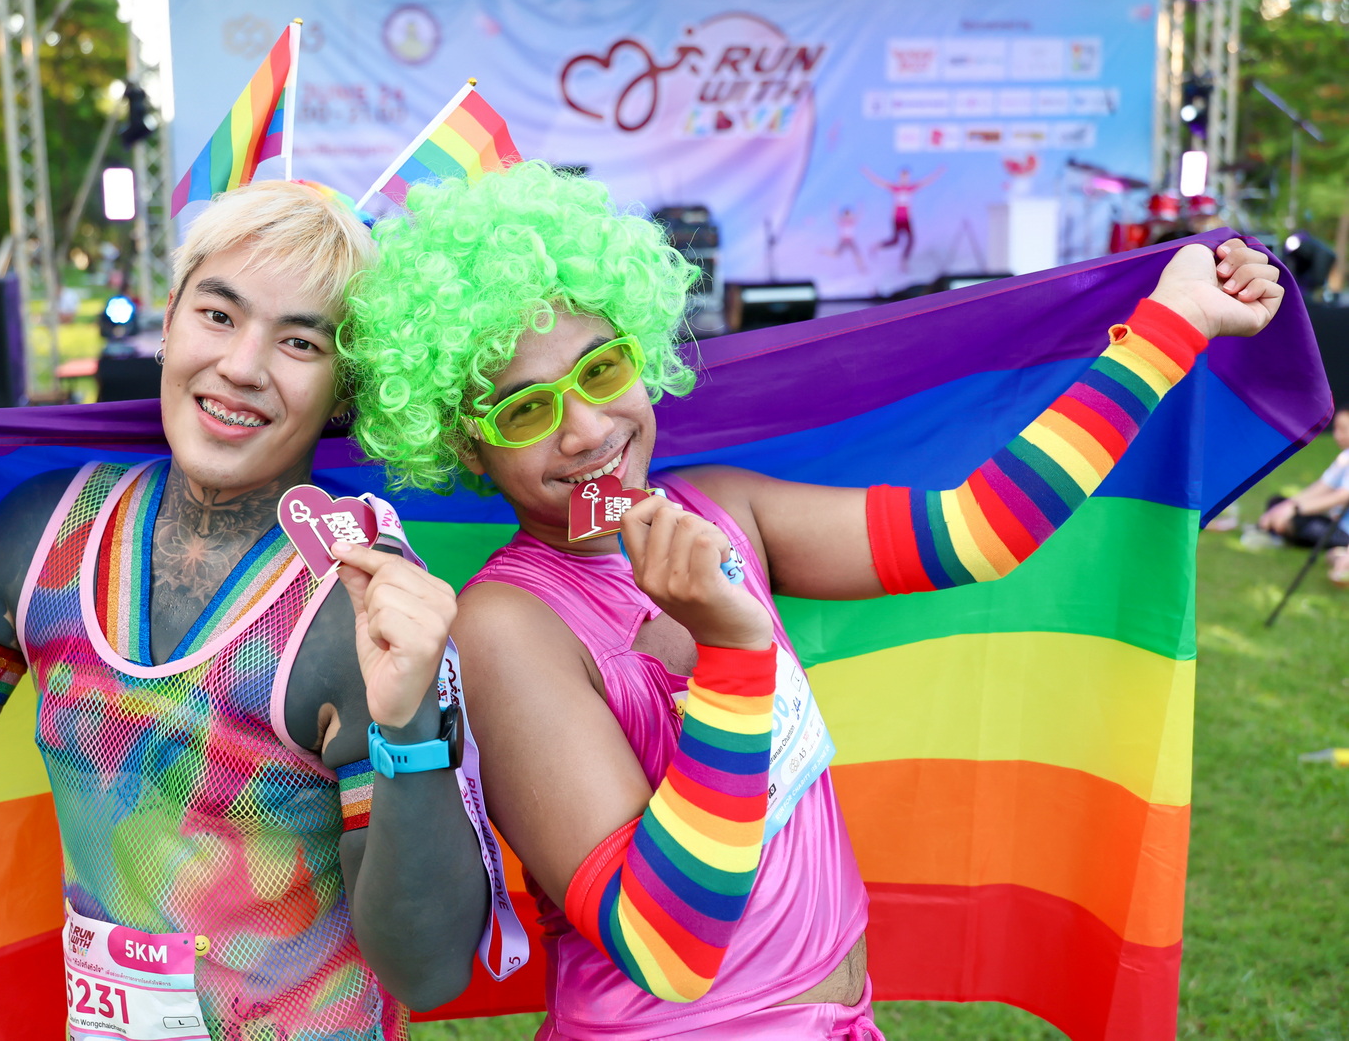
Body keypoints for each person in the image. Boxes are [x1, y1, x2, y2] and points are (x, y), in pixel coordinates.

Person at [341, 162, 1285, 1039]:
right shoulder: (506, 627)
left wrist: (1173, 324)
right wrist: (734, 653)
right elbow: (665, 944)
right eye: (524, 409)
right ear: (468, 445)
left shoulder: (726, 508)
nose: (586, 430)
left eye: (602, 369)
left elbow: (976, 529)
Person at [0, 181, 489, 1040]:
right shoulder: (43, 535)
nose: (243, 365)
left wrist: (410, 723)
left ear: (344, 389)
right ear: (167, 322)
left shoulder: (359, 609)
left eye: (299, 341)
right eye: (218, 315)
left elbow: (426, 968)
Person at [1254, 405, 1349, 548]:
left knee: (1297, 521)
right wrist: (1287, 505)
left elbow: (1341, 497)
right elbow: (1322, 487)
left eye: (1343, 429)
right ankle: (1279, 529)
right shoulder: (1345, 457)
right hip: (1333, 521)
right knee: (1276, 502)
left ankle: (1279, 532)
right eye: (1335, 428)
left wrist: (1295, 509)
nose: (1337, 435)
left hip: (1344, 531)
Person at [862, 164, 943, 264]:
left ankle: (904, 260)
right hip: (896, 219)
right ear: (900, 177)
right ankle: (877, 246)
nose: (905, 179)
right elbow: (879, 181)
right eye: (903, 177)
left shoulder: (910, 188)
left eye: (907, 177)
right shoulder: (895, 188)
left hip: (907, 219)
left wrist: (938, 172)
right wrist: (867, 172)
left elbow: (926, 182)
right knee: (895, 241)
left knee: (911, 240)